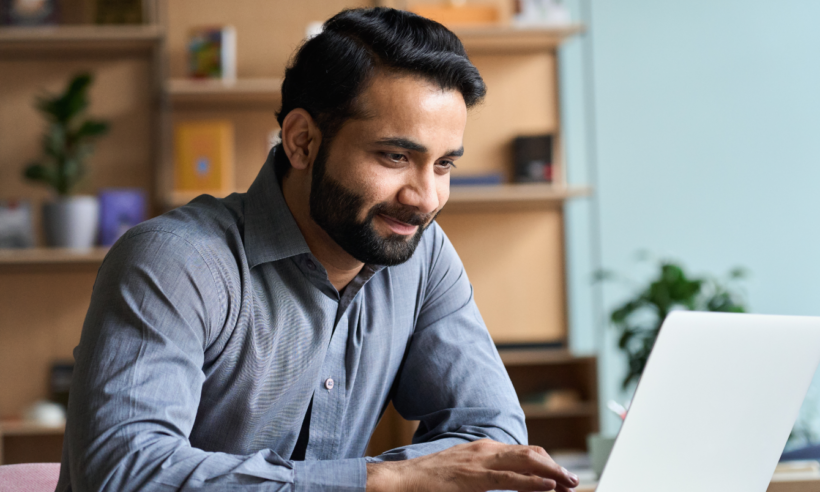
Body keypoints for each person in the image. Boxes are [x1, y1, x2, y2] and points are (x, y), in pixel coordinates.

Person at [56, 7, 579, 492]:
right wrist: (383, 481)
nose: (426, 199)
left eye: (444, 165)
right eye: (396, 156)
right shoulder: (175, 261)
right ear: (302, 140)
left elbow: (493, 436)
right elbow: (125, 472)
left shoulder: (421, 254)